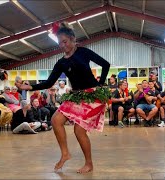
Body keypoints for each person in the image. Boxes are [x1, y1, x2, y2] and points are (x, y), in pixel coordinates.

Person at [15, 22, 110, 173]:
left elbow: (106, 64)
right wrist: (28, 87)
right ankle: (65, 153)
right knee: (55, 120)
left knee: (79, 130)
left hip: (92, 96)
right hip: (77, 95)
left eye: (65, 42)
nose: (62, 45)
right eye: (59, 43)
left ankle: (89, 163)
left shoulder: (83, 52)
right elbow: (49, 82)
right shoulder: (61, 62)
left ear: (73, 39)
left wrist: (100, 83)